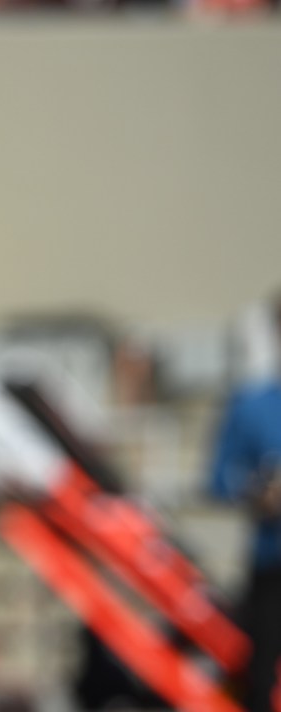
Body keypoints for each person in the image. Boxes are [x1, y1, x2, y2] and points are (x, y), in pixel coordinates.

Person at [208, 294, 281, 712]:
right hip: (273, 567)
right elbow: (219, 478)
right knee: (259, 679)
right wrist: (259, 491)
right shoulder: (252, 405)